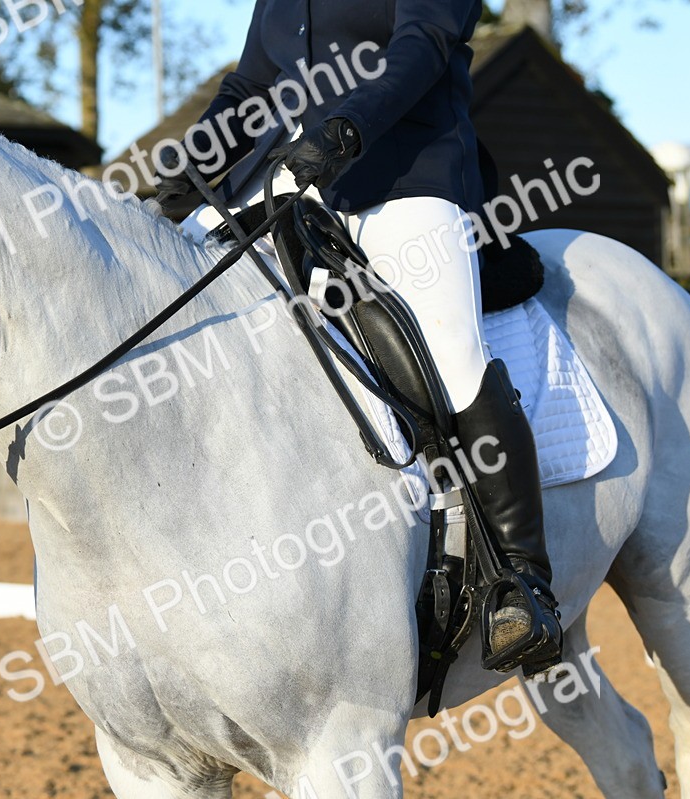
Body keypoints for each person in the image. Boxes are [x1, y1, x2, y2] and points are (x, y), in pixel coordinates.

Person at [155, 0, 562, 673]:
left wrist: (345, 130)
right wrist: (194, 162)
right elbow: (251, 85)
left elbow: (425, 43)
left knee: (453, 356)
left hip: (406, 175)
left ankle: (520, 581)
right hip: (288, 178)